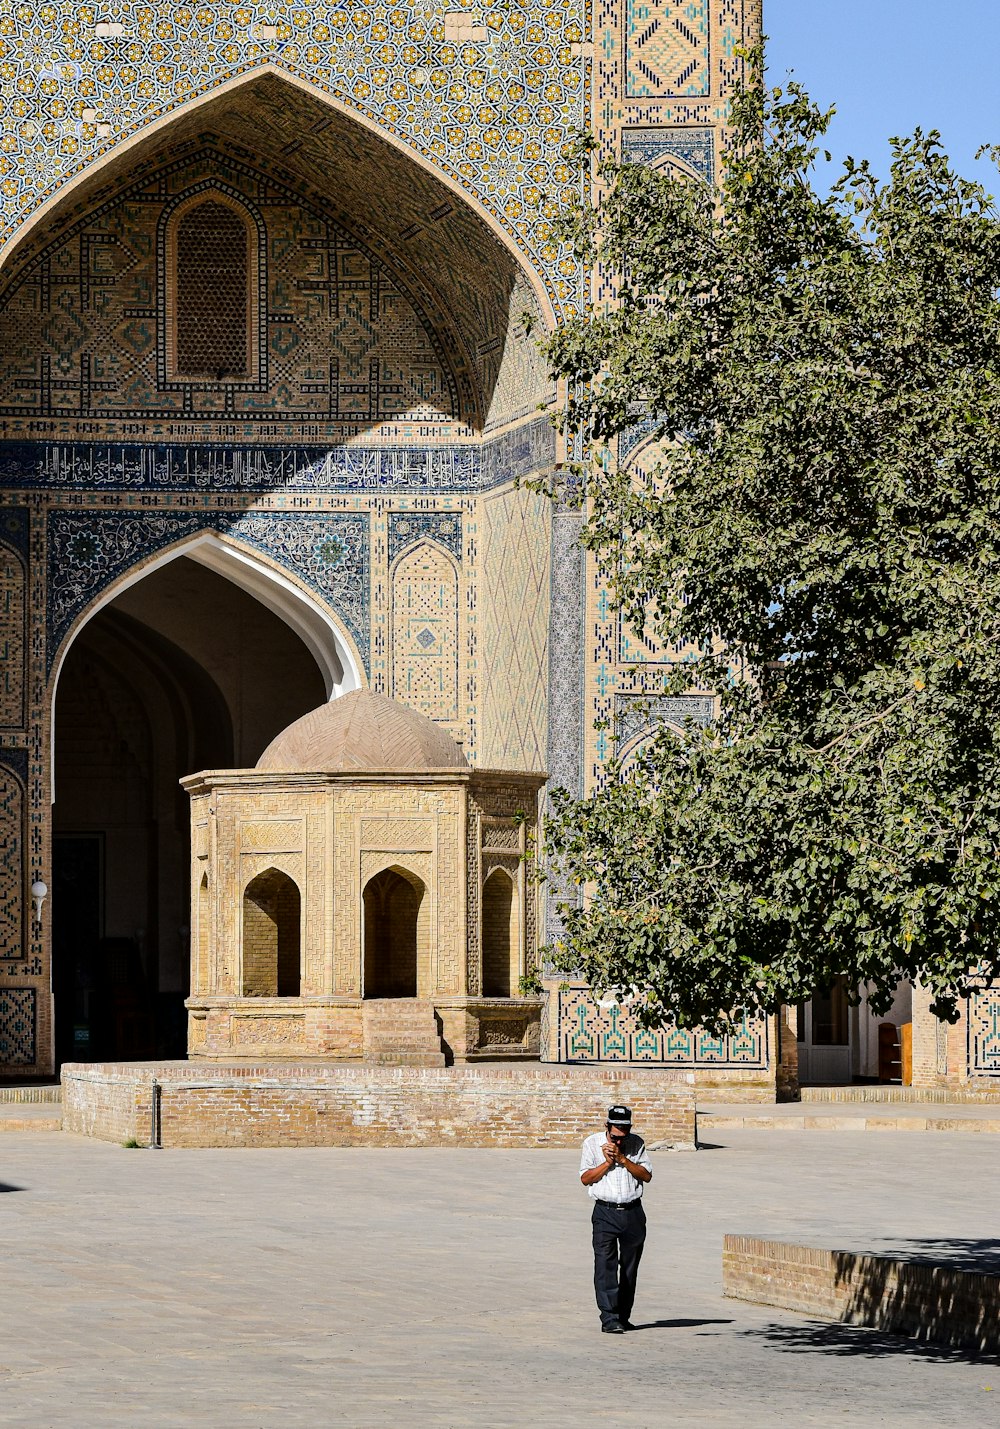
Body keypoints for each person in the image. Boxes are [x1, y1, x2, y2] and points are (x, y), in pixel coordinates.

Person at [579, 1103, 653, 1333]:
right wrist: (608, 1163)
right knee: (605, 1266)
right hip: (604, 1213)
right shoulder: (591, 1144)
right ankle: (609, 1318)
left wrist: (623, 1159)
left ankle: (623, 1315)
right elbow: (585, 1178)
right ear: (607, 1127)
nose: (618, 1141)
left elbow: (646, 1175)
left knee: (629, 1268)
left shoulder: (636, 1144)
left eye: (623, 1136)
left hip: (633, 1212)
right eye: (614, 1136)